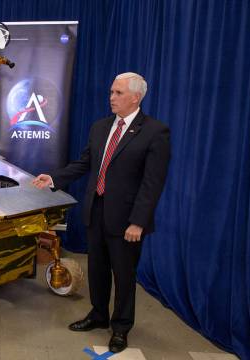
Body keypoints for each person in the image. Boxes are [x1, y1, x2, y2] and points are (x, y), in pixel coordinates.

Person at [33, 72, 171, 353]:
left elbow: (152, 183)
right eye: (111, 92)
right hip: (96, 211)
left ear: (136, 97)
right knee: (96, 269)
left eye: (118, 93)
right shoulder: (100, 127)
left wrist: (138, 222)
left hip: (127, 221)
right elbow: (85, 163)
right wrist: (55, 179)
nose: (112, 97)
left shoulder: (155, 132)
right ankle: (98, 315)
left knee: (123, 275)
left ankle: (120, 327)